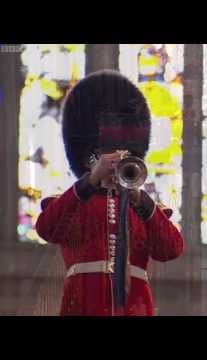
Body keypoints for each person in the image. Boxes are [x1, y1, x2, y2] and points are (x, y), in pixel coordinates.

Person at [35, 70, 184, 316]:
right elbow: (46, 229)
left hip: (135, 306)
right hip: (83, 304)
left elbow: (171, 249)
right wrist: (92, 179)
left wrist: (139, 198)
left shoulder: (145, 209)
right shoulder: (72, 203)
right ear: (93, 155)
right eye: (108, 153)